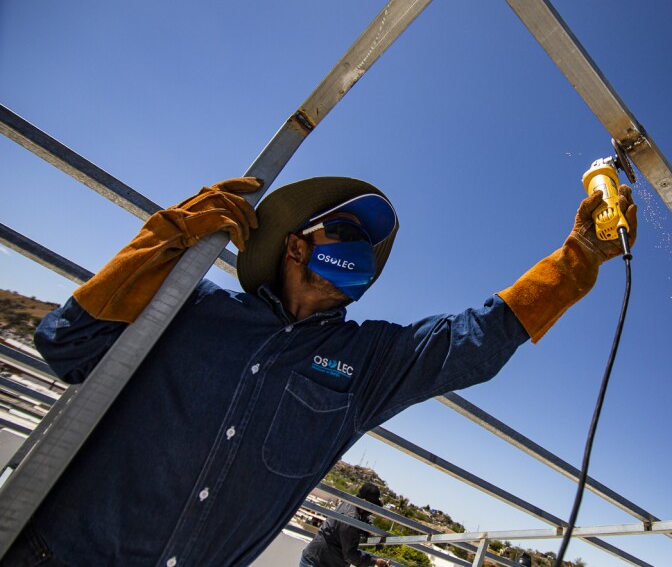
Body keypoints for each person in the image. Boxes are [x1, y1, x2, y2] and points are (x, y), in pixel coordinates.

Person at [5, 174, 636, 567]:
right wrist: (163, 241)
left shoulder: (368, 363)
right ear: (296, 243)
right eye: (345, 230)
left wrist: (579, 259)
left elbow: (475, 339)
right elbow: (66, 345)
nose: (359, 246)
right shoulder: (192, 302)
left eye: (367, 242)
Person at [299, 483, 389, 567]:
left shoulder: (353, 502)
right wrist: (375, 561)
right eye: (371, 507)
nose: (371, 511)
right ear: (365, 502)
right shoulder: (351, 520)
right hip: (318, 563)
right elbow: (350, 556)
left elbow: (363, 518)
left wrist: (369, 532)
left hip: (319, 559)